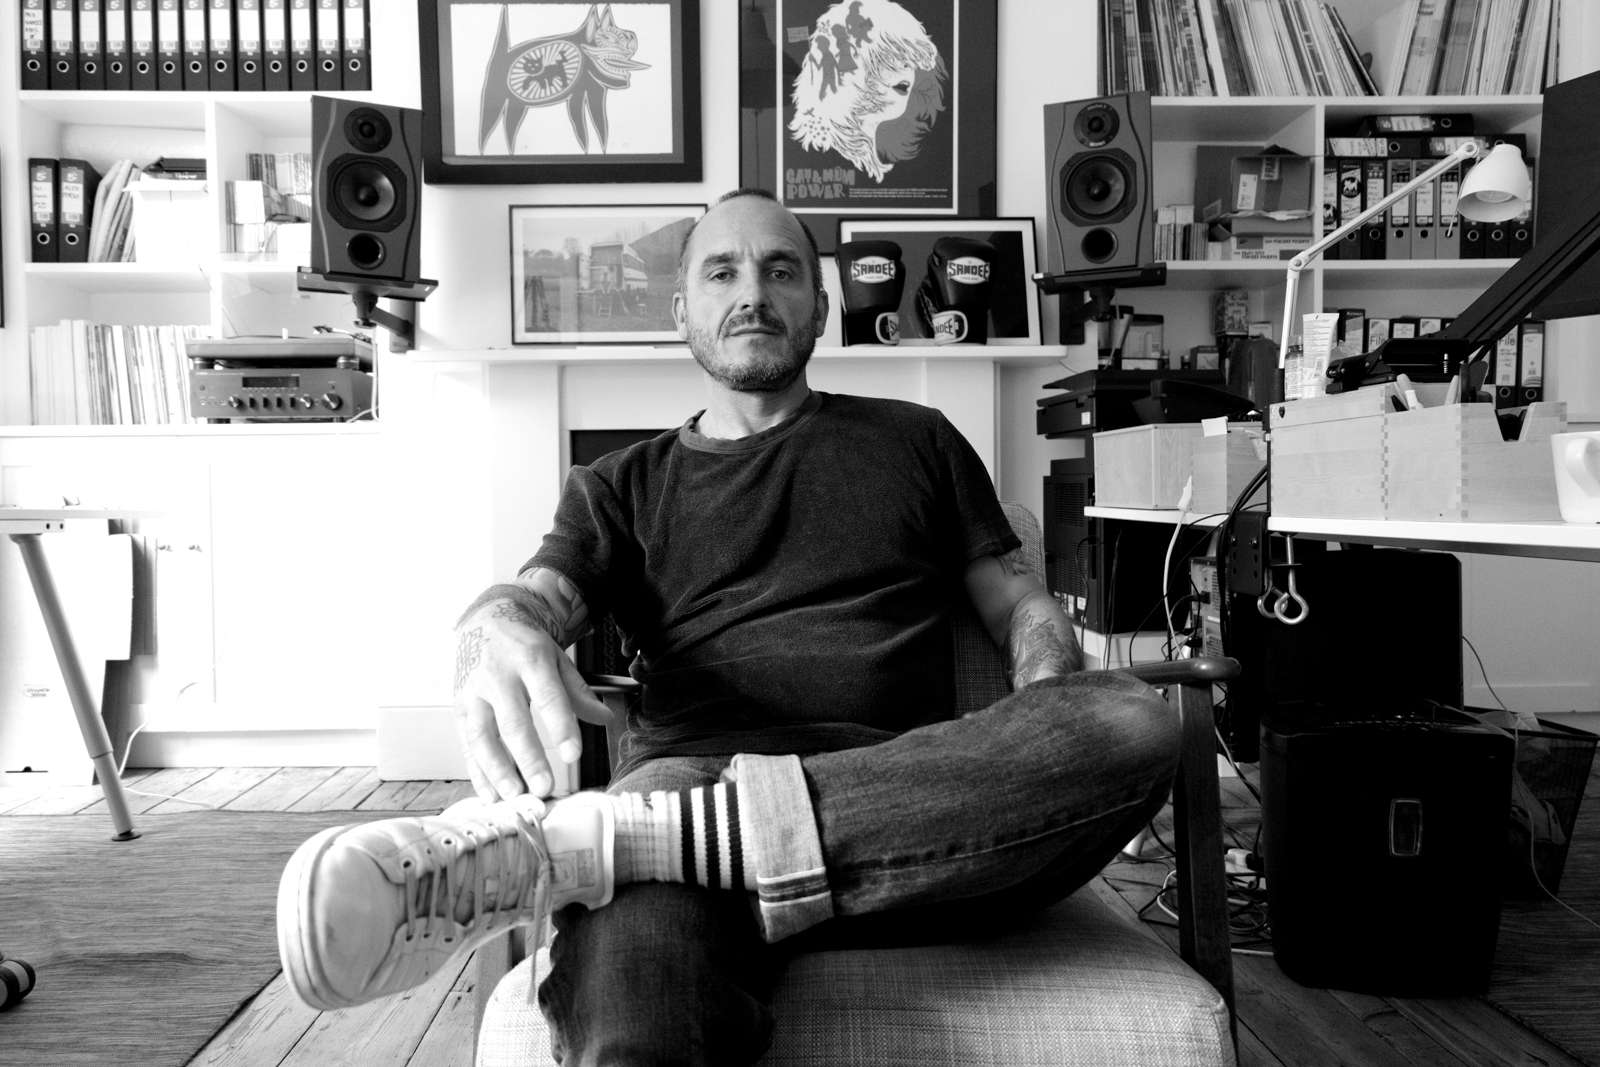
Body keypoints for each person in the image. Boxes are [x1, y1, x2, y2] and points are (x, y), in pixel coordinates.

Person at [276, 189, 1179, 1064]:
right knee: (639, 1019)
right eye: (722, 272)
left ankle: (651, 842)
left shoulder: (919, 439)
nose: (753, 293)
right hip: (686, 782)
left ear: (820, 305)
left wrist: (1043, 704)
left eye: (780, 270)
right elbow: (534, 600)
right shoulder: (619, 484)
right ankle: (676, 841)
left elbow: (1018, 601)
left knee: (1130, 718)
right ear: (682, 310)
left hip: (913, 812)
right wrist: (494, 628)